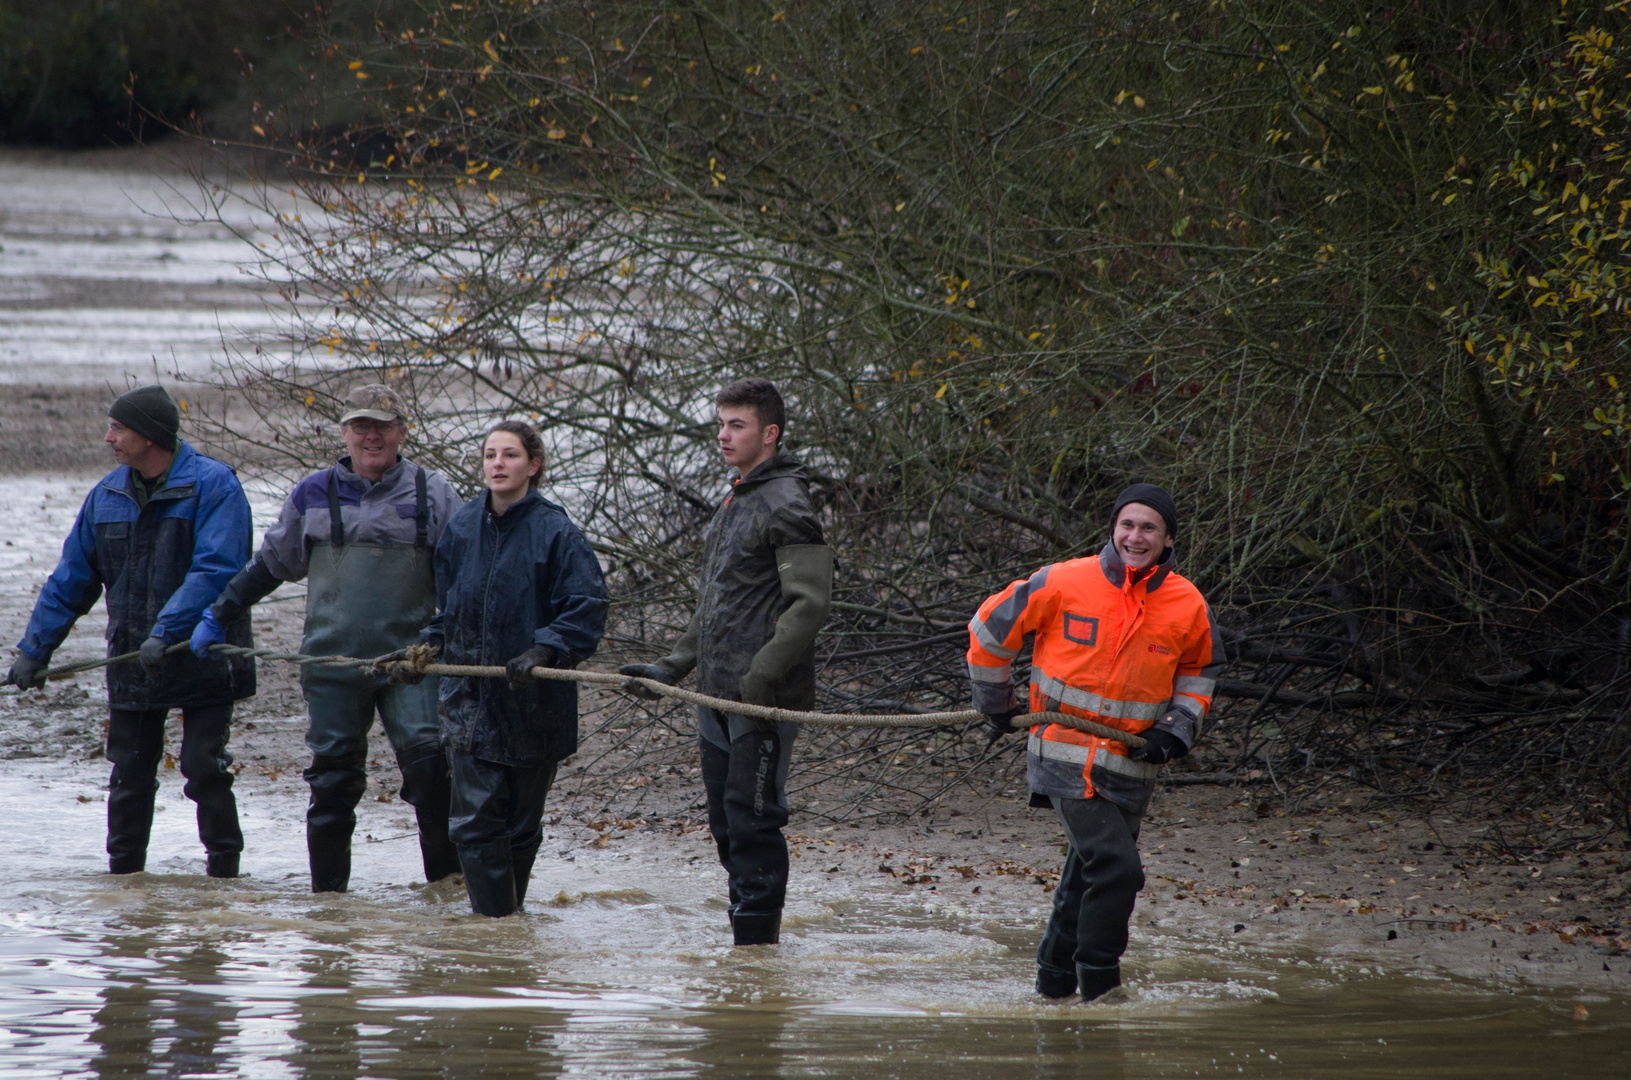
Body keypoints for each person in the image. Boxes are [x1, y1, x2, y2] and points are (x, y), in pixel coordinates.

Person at [190, 384, 462, 893]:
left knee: (431, 776)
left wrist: (455, 637)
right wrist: (219, 613)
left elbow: (465, 576)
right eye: (362, 426)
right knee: (333, 784)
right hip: (332, 666)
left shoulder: (435, 493)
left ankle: (447, 893)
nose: (372, 436)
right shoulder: (313, 492)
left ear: (402, 433)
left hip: (413, 665)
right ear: (344, 434)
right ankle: (329, 910)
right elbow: (271, 563)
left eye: (382, 426)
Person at [967, 483, 1225, 1002]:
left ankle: (1053, 988)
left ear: (1168, 538)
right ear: (1112, 528)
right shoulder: (1063, 581)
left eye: (1148, 527)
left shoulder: (1187, 603)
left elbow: (1199, 674)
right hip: (1063, 758)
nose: (1135, 536)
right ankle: (1103, 989)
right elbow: (990, 632)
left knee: (1085, 879)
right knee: (1116, 868)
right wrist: (996, 702)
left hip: (1131, 766)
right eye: (1127, 524)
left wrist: (1175, 731)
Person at [4, 385, 255, 877]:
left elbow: (216, 569)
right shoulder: (107, 495)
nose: (108, 437)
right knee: (130, 773)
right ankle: (124, 881)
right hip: (133, 658)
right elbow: (71, 579)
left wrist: (168, 629)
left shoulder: (215, 486)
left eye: (118, 428)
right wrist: (36, 649)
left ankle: (224, 880)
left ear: (151, 436)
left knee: (204, 768)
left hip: (203, 648)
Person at [618, 378, 832, 946]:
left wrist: (758, 679)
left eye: (736, 425)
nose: (723, 434)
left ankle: (757, 956)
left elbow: (809, 606)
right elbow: (716, 602)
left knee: (752, 823)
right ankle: (749, 954)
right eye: (720, 423)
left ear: (770, 433)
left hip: (760, 700)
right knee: (724, 827)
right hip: (715, 694)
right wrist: (672, 666)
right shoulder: (738, 497)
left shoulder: (789, 503)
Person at [385, 420, 607, 917]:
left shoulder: (557, 532)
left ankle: (508, 921)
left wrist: (546, 649)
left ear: (534, 464)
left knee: (522, 825)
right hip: (469, 701)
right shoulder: (461, 528)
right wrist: (425, 649)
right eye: (490, 455)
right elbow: (448, 611)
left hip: (535, 704)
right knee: (475, 823)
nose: (498, 464)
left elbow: (586, 607)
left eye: (510, 455)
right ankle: (496, 934)